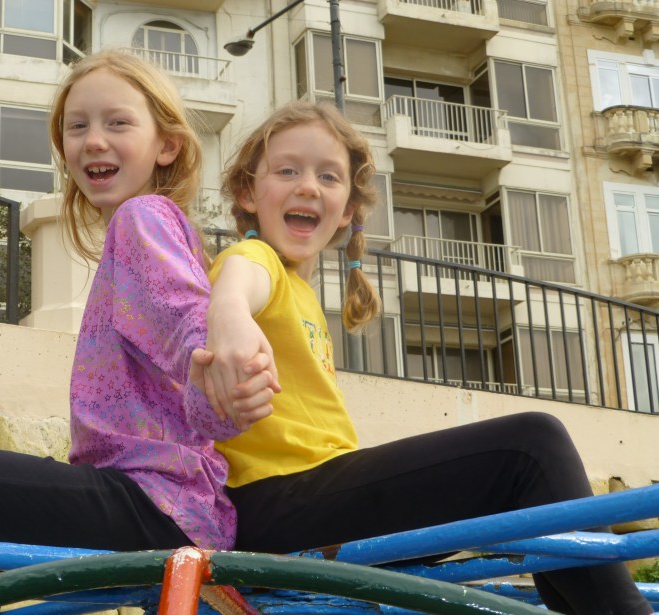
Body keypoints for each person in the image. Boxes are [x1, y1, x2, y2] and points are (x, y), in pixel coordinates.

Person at [0, 49, 276, 614]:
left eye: (118, 122)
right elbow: (196, 384)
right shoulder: (156, 231)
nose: (93, 140)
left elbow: (181, 313)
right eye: (78, 126)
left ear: (166, 145)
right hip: (159, 503)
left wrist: (212, 353)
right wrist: (212, 373)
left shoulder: (144, 217)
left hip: (151, 502)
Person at [187, 100, 653, 615]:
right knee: (530, 448)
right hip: (275, 503)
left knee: (537, 504)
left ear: (346, 211)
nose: (307, 186)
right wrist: (228, 318)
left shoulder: (300, 292)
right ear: (248, 194)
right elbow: (236, 284)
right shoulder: (256, 260)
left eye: (328, 176)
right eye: (287, 170)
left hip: (310, 500)